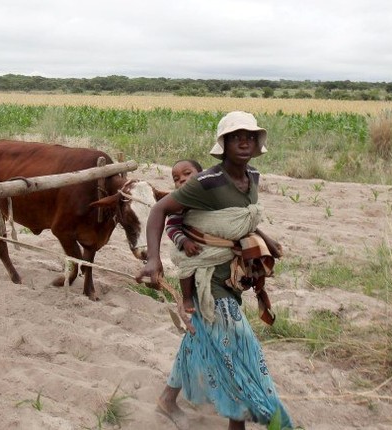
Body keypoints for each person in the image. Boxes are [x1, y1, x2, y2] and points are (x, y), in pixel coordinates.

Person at [137, 111, 291, 430]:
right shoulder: (206, 182)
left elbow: (241, 219)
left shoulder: (253, 178)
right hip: (208, 278)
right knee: (239, 346)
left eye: (249, 136)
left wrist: (265, 238)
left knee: (201, 336)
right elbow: (159, 211)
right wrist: (153, 260)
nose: (244, 141)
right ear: (223, 144)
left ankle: (167, 399)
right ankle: (242, 423)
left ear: (257, 141)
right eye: (236, 137)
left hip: (234, 275)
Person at [165, 159, 204, 316]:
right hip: (188, 243)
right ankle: (187, 298)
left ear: (203, 175)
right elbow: (171, 227)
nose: (181, 179)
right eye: (176, 178)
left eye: (187, 174)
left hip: (210, 242)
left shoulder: (212, 196)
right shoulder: (180, 201)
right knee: (186, 265)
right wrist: (184, 241)